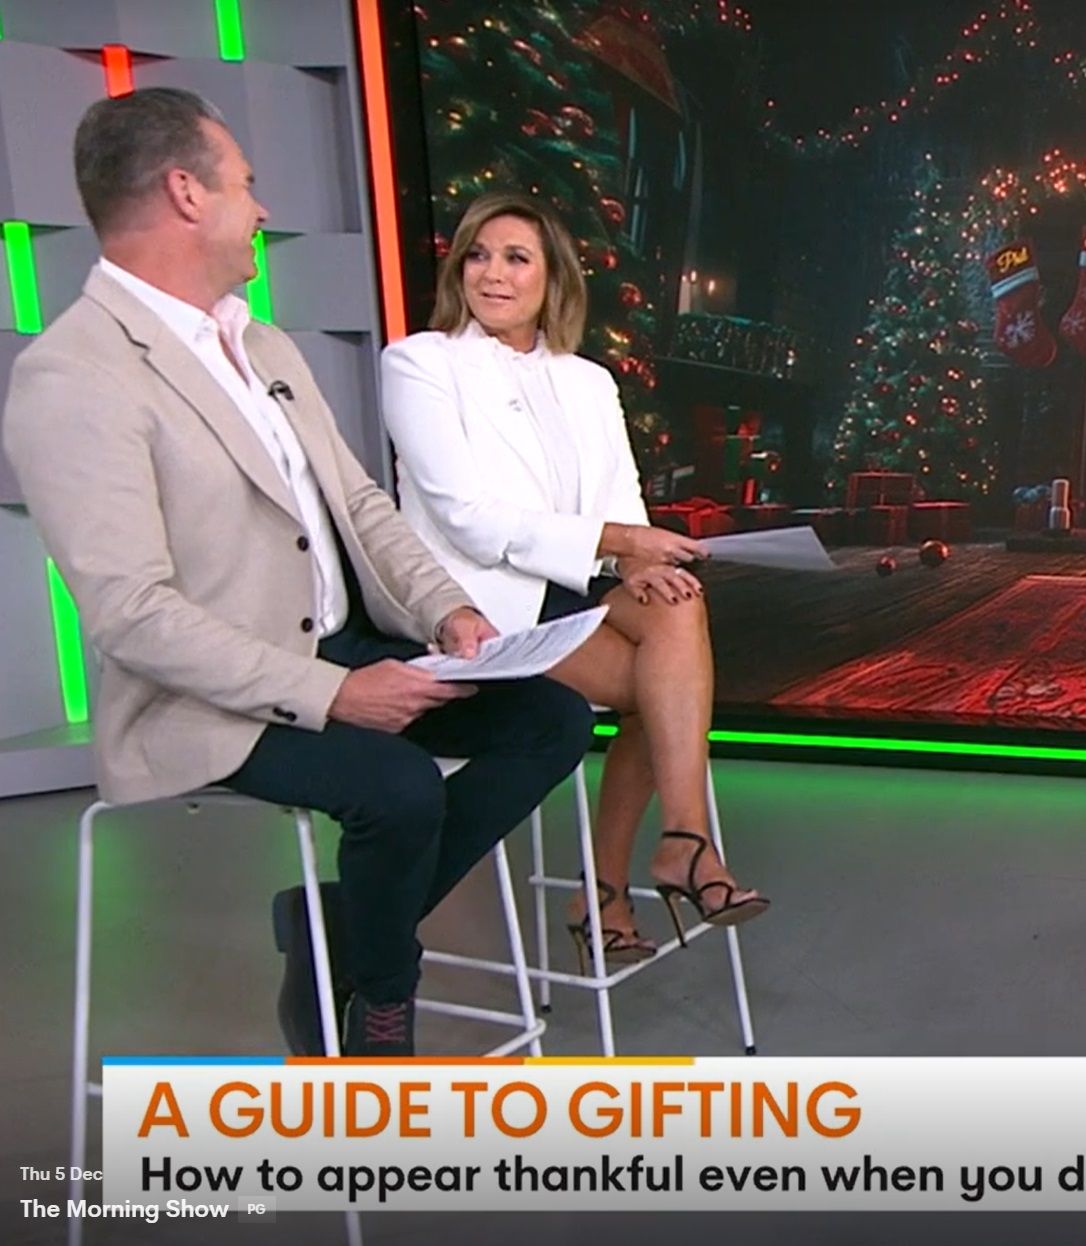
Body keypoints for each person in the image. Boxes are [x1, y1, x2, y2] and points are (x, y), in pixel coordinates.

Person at [2, 90, 594, 1057]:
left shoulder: (261, 342)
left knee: (552, 721)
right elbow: (131, 613)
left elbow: (360, 504)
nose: (262, 208)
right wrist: (334, 696)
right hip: (204, 697)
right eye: (245, 184)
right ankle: (379, 1008)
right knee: (398, 788)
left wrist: (446, 610)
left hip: (340, 644)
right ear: (186, 193)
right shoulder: (75, 373)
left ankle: (339, 929)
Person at [380, 191, 766, 971]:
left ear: (552, 277)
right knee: (666, 689)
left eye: (516, 258)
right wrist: (621, 543)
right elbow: (467, 518)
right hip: (483, 603)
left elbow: (620, 501)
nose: (492, 273)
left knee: (677, 608)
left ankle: (668, 849)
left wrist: (638, 561)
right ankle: (645, 868)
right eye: (478, 256)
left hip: (578, 584)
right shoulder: (420, 363)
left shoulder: (588, 381)